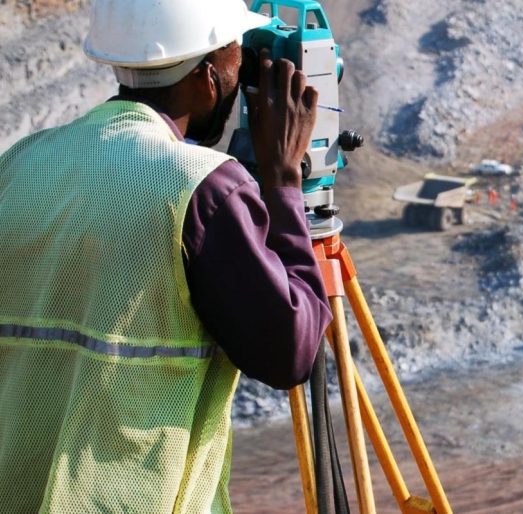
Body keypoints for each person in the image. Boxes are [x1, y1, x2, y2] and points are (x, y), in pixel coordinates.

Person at [0, 0, 332, 511]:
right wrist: (284, 179)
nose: (241, 67)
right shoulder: (202, 187)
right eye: (233, 55)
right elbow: (293, 350)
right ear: (206, 76)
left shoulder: (21, 163)